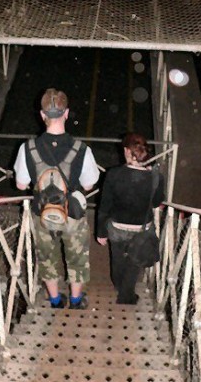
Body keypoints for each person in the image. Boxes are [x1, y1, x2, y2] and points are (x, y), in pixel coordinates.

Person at [14, 88, 100, 309]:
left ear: (42, 115)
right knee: (77, 258)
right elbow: (90, 184)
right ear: (67, 113)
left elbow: (21, 184)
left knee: (46, 257)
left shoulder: (27, 148)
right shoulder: (82, 149)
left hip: (41, 213)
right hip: (71, 213)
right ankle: (76, 299)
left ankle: (54, 300)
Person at [96, 133, 165, 304]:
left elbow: (104, 205)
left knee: (117, 257)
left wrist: (101, 232)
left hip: (117, 227)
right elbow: (156, 202)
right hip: (141, 228)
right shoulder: (155, 176)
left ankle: (118, 285)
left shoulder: (113, 174)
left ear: (127, 151)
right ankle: (126, 295)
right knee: (135, 260)